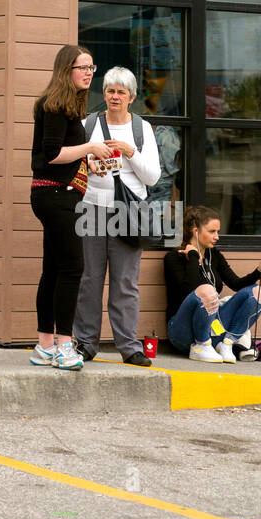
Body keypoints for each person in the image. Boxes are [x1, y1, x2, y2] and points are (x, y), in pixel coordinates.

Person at [30, 45, 114, 371]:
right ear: (66, 70)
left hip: (59, 194)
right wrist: (91, 147)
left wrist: (87, 162)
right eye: (82, 67)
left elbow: (60, 154)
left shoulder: (65, 106)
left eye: (92, 67)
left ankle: (45, 346)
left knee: (53, 270)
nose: (89, 72)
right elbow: (50, 154)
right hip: (56, 196)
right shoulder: (55, 106)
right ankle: (65, 346)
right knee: (72, 268)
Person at [73, 67, 161, 366]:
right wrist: (89, 162)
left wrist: (129, 151)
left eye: (121, 92)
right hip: (91, 207)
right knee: (89, 280)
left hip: (129, 212)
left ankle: (129, 346)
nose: (114, 96)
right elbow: (74, 164)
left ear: (132, 97)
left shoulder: (142, 129)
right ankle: (85, 343)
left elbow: (152, 177)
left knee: (125, 282)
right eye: (110, 90)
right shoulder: (89, 124)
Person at [163, 205, 261, 362]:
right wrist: (193, 257)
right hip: (182, 334)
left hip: (212, 330)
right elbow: (188, 290)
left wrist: (260, 270)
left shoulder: (214, 256)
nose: (217, 237)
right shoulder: (173, 258)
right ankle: (200, 345)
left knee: (256, 292)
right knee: (207, 290)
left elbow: (236, 284)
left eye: (218, 232)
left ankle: (227, 343)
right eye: (212, 231)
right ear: (195, 231)